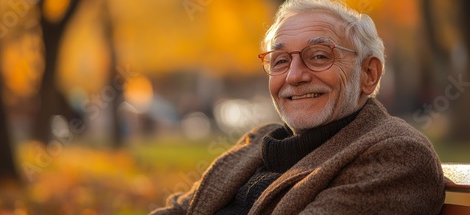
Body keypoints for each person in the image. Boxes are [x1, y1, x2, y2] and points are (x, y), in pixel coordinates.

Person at [151, 0, 445, 214]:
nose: (293, 76)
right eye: (280, 61)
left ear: (369, 74)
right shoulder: (260, 143)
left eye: (318, 56)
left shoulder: (397, 154)